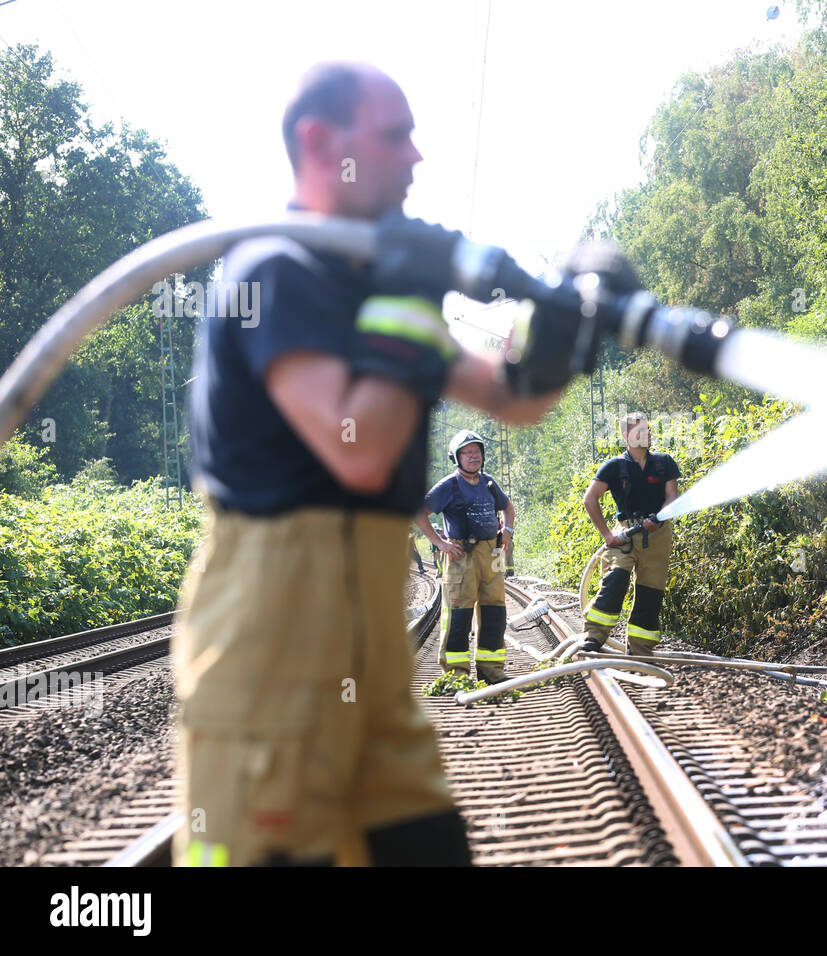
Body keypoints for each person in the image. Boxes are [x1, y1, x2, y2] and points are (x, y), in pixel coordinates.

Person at [176, 62, 562, 867]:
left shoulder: (376, 293)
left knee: (425, 849)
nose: (417, 157)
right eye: (396, 135)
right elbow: (357, 446)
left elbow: (513, 400)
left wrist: (560, 328)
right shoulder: (275, 272)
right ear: (321, 143)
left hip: (366, 666)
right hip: (272, 656)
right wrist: (410, 298)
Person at [415, 429, 514, 684]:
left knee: (495, 610)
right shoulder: (448, 486)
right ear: (456, 457)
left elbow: (508, 507)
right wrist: (440, 543)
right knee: (459, 612)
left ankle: (492, 669)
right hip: (462, 556)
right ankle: (456, 674)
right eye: (467, 452)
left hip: (492, 554)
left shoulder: (489, 483)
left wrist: (508, 532)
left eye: (477, 451)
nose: (474, 456)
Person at [580, 412, 680, 657]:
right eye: (639, 431)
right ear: (626, 436)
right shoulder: (615, 467)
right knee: (615, 582)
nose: (646, 435)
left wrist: (659, 518)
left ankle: (640, 649)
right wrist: (606, 535)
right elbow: (590, 499)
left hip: (658, 535)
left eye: (647, 430)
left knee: (650, 593)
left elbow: (672, 496)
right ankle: (594, 637)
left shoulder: (664, 463)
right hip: (624, 534)